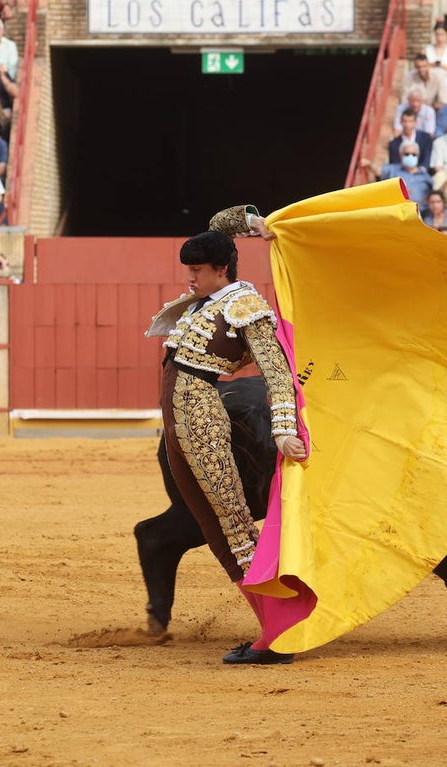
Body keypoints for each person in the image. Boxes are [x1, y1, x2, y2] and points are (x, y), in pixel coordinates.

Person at [147, 211, 306, 665]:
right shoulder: (210, 298)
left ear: (222, 270)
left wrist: (282, 431)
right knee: (216, 534)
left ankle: (279, 634)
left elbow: (278, 373)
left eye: (197, 271)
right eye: (189, 271)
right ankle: (275, 626)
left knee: (236, 528)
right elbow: (219, 222)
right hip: (178, 426)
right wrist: (252, 221)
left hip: (203, 423)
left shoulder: (245, 306)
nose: (190, 278)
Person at [368, 142, 434, 212]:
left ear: (418, 156)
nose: (410, 156)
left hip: (418, 215)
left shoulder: (425, 176)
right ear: (400, 155)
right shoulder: (392, 169)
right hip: (395, 212)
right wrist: (368, 164)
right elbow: (377, 171)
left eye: (414, 154)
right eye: (407, 154)